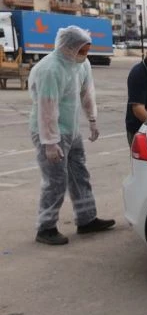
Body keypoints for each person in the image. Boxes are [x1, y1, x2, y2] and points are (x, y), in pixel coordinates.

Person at [28, 26, 116, 245]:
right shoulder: (50, 69)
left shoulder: (81, 64)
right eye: (82, 50)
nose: (85, 55)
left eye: (87, 50)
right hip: (49, 132)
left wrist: (92, 119)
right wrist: (49, 142)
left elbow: (87, 93)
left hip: (71, 130)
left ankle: (86, 219)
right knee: (55, 180)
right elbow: (47, 108)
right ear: (68, 47)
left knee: (79, 174)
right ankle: (45, 227)